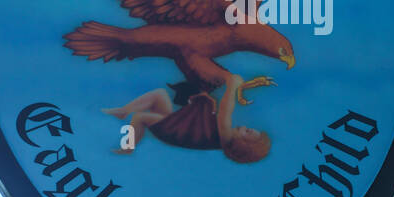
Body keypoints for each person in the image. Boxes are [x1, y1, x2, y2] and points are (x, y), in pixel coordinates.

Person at [104, 72, 272, 164]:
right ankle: (123, 111)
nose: (245, 127)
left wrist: (232, 86)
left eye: (248, 131)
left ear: (242, 144)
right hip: (180, 124)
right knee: (160, 95)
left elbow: (225, 112)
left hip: (174, 132)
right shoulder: (225, 139)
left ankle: (129, 147)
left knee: (140, 117)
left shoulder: (226, 138)